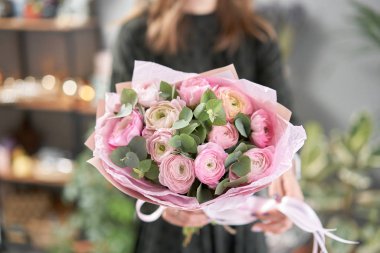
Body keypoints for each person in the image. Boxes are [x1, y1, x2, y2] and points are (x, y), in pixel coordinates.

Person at [111, 0, 304, 252]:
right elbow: (117, 133)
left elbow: (285, 126)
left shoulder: (256, 37)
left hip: (238, 230)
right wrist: (158, 202)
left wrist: (286, 177)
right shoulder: (137, 34)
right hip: (167, 232)